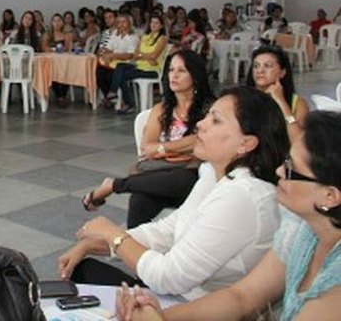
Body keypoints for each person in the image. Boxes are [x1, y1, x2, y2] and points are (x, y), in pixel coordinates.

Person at [60, 87, 288, 300]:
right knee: (83, 269)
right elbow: (169, 230)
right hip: (180, 294)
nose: (200, 124)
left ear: (246, 143)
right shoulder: (213, 173)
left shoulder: (242, 196)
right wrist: (95, 244)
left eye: (216, 120)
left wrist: (113, 236)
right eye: (207, 116)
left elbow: (169, 278)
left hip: (195, 307)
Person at [115, 111, 341, 321]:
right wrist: (163, 315)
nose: (279, 171)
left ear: (329, 196)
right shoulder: (301, 229)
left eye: (291, 169)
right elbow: (241, 297)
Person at [84, 50, 215, 227]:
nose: (174, 75)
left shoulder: (211, 108)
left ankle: (114, 185)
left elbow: (201, 140)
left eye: (181, 71)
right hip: (160, 174)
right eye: (171, 70)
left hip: (194, 178)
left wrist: (164, 148)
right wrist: (181, 149)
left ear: (196, 75)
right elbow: (148, 147)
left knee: (185, 178)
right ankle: (133, 248)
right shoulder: (162, 109)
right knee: (141, 198)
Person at [107, 15, 169, 114]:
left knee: (122, 76)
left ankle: (128, 103)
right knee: (120, 66)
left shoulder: (162, 38)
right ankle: (114, 92)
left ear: (161, 26)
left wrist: (142, 55)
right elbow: (135, 55)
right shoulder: (145, 37)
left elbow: (154, 56)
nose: (153, 25)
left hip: (152, 70)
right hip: (140, 66)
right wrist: (145, 56)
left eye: (156, 23)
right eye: (152, 22)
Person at [246, 44, 309, 138]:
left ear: (282, 72)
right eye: (256, 66)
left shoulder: (298, 103)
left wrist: (282, 102)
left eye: (268, 66)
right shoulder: (243, 98)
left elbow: (297, 140)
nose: (260, 70)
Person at [97, 13, 139, 105]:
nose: (121, 24)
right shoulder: (115, 34)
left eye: (124, 22)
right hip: (113, 62)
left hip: (127, 64)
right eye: (119, 22)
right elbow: (108, 48)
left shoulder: (133, 37)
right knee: (99, 72)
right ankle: (109, 96)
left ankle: (112, 96)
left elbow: (130, 55)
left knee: (110, 75)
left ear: (129, 23)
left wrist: (113, 56)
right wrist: (106, 54)